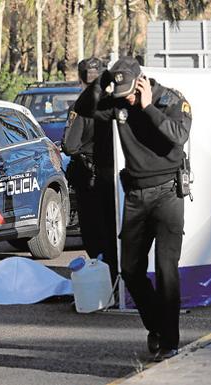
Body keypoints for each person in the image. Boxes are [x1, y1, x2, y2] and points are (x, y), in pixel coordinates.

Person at [74, 56, 192, 362]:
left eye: (130, 90)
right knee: (130, 271)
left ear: (142, 82)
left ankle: (170, 341)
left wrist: (148, 106)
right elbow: (85, 109)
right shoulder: (118, 101)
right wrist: (100, 81)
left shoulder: (172, 100)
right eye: (120, 91)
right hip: (136, 196)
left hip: (168, 193)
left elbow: (178, 137)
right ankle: (157, 327)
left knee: (167, 271)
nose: (125, 97)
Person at [62, 57, 117, 284]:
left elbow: (70, 145)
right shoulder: (116, 103)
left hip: (89, 177)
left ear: (80, 78)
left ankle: (102, 281)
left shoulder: (81, 107)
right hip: (113, 176)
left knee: (94, 234)